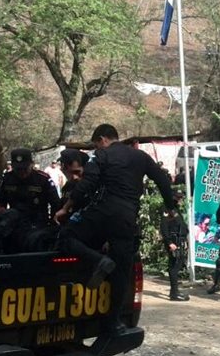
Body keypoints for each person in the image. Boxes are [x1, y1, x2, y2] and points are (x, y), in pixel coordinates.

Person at [54, 124, 175, 333]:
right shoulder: (141, 157)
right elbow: (162, 180)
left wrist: (66, 208)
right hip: (127, 218)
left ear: (102, 139)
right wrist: (171, 207)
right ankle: (113, 322)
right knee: (122, 270)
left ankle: (99, 260)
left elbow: (87, 184)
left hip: (102, 213)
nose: (96, 148)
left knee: (65, 237)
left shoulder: (101, 155)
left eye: (96, 144)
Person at [0, 147, 58, 250]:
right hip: (15, 226)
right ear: (13, 166)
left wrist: (52, 225)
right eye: (18, 169)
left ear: (32, 164)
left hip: (38, 225)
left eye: (25, 168)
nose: (22, 172)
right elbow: (1, 203)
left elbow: (55, 203)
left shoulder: (43, 179)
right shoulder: (7, 179)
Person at [160, 196, 190, 302]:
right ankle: (174, 293)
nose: (181, 199)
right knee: (174, 266)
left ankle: (174, 291)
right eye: (179, 197)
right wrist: (169, 242)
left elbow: (180, 225)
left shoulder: (175, 208)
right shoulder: (167, 208)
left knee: (177, 265)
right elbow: (164, 226)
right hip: (173, 241)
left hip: (179, 241)